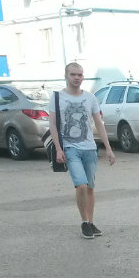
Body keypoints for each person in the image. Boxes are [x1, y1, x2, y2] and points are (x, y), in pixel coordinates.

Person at [48, 62, 115, 239]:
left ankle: (91, 222)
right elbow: (52, 125)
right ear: (66, 76)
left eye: (80, 75)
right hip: (70, 148)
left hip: (90, 148)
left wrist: (108, 148)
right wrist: (58, 149)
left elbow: (99, 123)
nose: (77, 78)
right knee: (81, 185)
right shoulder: (57, 97)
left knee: (90, 188)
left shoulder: (90, 98)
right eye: (73, 74)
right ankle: (84, 222)